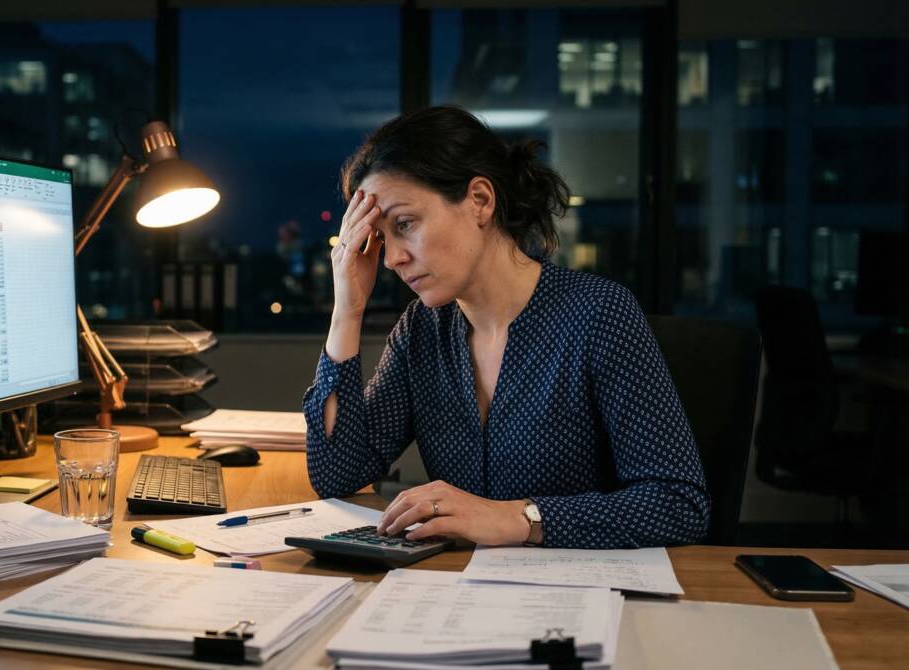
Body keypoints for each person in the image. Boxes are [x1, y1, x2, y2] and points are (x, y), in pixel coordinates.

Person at [302, 106, 709, 549]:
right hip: (458, 592)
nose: (394, 257)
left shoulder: (597, 314)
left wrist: (519, 517)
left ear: (480, 200)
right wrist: (347, 310)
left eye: (405, 225)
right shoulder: (422, 330)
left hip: (573, 598)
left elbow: (678, 504)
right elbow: (336, 473)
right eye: (381, 239)